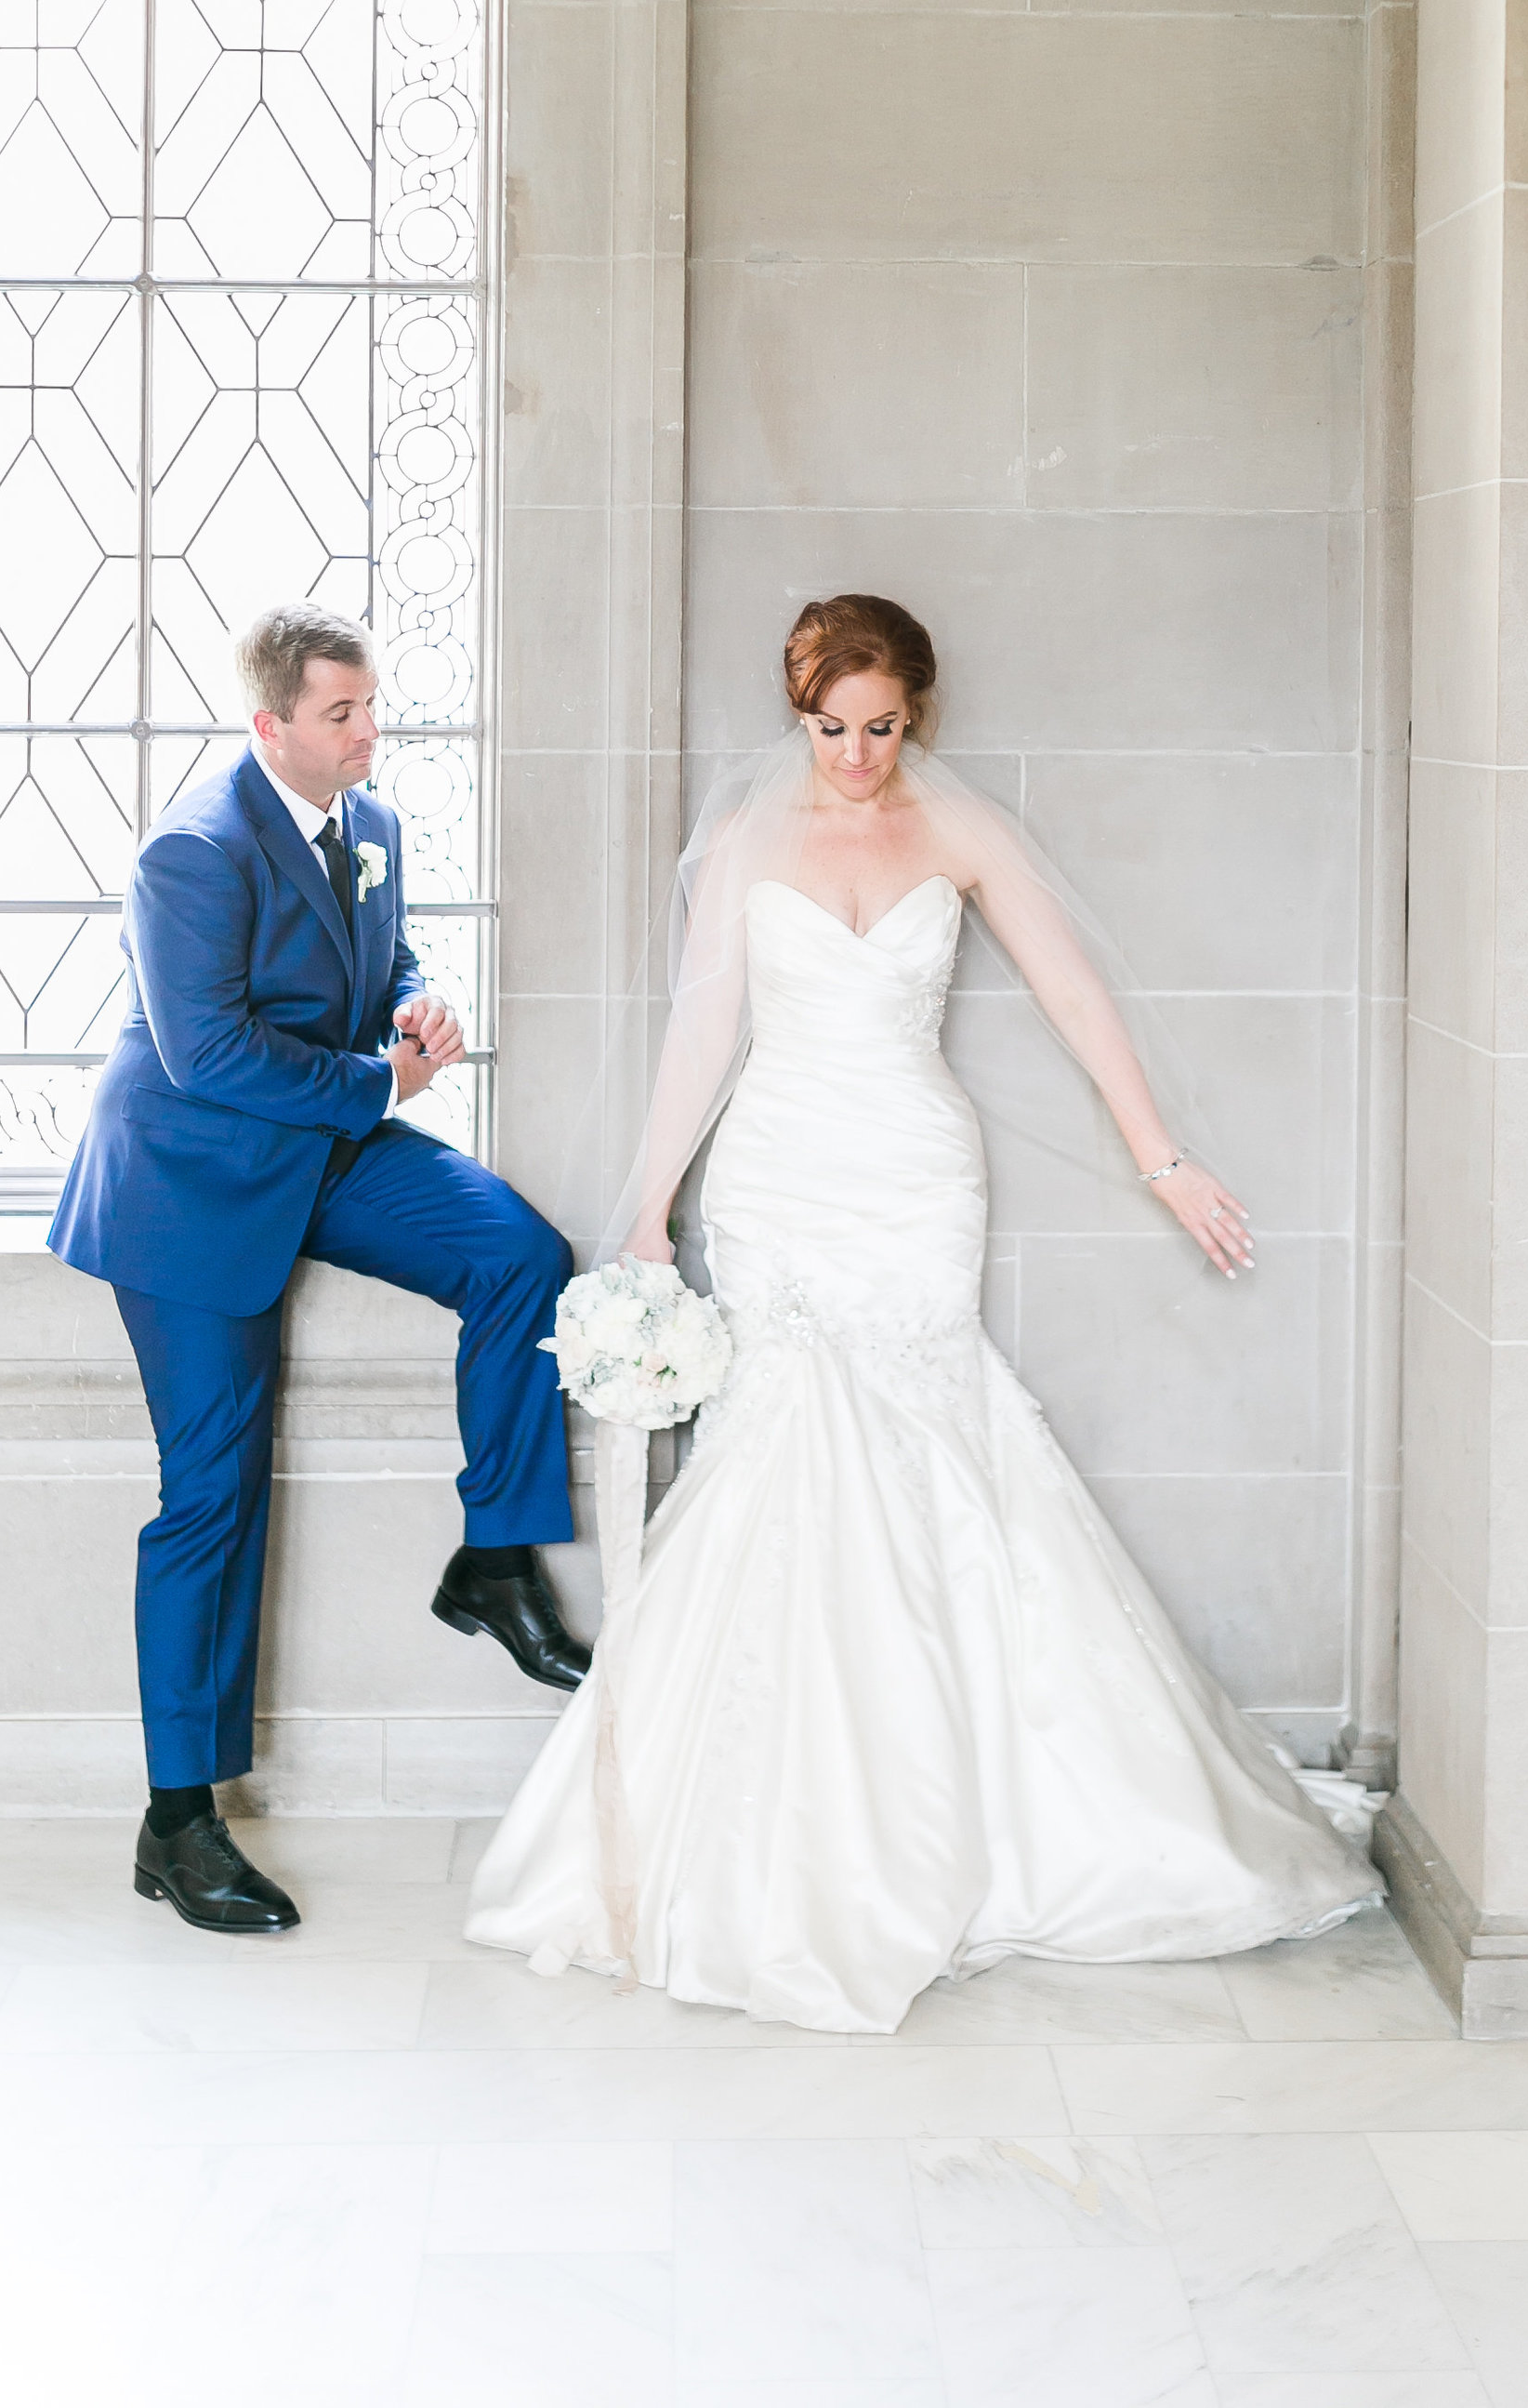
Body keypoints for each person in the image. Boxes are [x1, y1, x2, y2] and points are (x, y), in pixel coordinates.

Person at [467, 591, 1377, 2032]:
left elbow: (1074, 995)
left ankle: (991, 1820)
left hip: (916, 1185)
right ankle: (771, 1840)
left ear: (917, 718)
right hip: (774, 1185)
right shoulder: (754, 840)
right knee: (785, 1457)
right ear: (800, 712)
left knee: (936, 1447)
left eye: (882, 728)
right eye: (831, 728)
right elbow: (704, 1030)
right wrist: (647, 1207)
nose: (855, 756)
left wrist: (1165, 1154)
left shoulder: (958, 831)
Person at [48, 602, 586, 1936]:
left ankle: (498, 1556)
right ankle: (178, 1822)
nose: (368, 731)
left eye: (369, 705)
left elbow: (378, 957)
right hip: (191, 1186)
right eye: (341, 712)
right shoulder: (191, 850)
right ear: (270, 722)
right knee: (211, 1496)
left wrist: (411, 1000)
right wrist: (374, 1077)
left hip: (326, 1142)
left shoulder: (375, 828)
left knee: (523, 1251)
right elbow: (205, 1054)